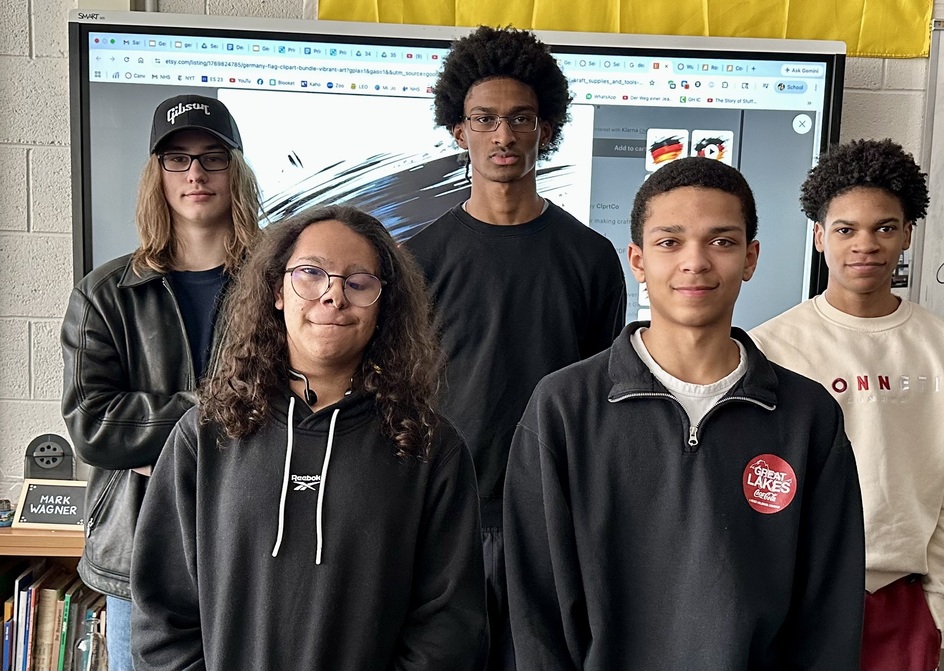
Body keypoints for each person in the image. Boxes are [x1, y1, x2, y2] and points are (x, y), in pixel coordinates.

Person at [504, 157, 866, 670]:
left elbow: (829, 613)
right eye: (669, 242)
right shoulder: (564, 407)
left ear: (751, 257)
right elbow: (537, 611)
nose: (694, 262)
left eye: (721, 241)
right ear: (637, 259)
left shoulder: (808, 418)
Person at [130, 205, 487, 670]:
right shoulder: (206, 434)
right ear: (277, 290)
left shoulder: (428, 447)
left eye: (358, 283)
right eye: (311, 274)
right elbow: (162, 620)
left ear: (385, 305)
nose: (333, 296)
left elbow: (449, 630)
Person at [403, 25, 626, 669]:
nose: (503, 135)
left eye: (520, 118)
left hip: (552, 517)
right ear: (458, 130)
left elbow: (604, 402)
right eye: (485, 119)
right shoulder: (417, 259)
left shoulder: (590, 257)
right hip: (444, 517)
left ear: (546, 127)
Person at [750, 138, 944, 671]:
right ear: (819, 237)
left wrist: (936, 602)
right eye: (846, 229)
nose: (866, 244)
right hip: (793, 598)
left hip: (899, 602)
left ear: (907, 233)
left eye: (885, 227)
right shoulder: (769, 348)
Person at [61, 94, 261, 670]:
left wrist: (157, 442)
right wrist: (214, 415)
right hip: (139, 556)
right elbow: (94, 425)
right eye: (177, 158)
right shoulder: (103, 295)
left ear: (236, 171)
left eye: (212, 156)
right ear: (158, 174)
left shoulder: (283, 285)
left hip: (255, 548)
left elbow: (299, 400)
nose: (195, 172)